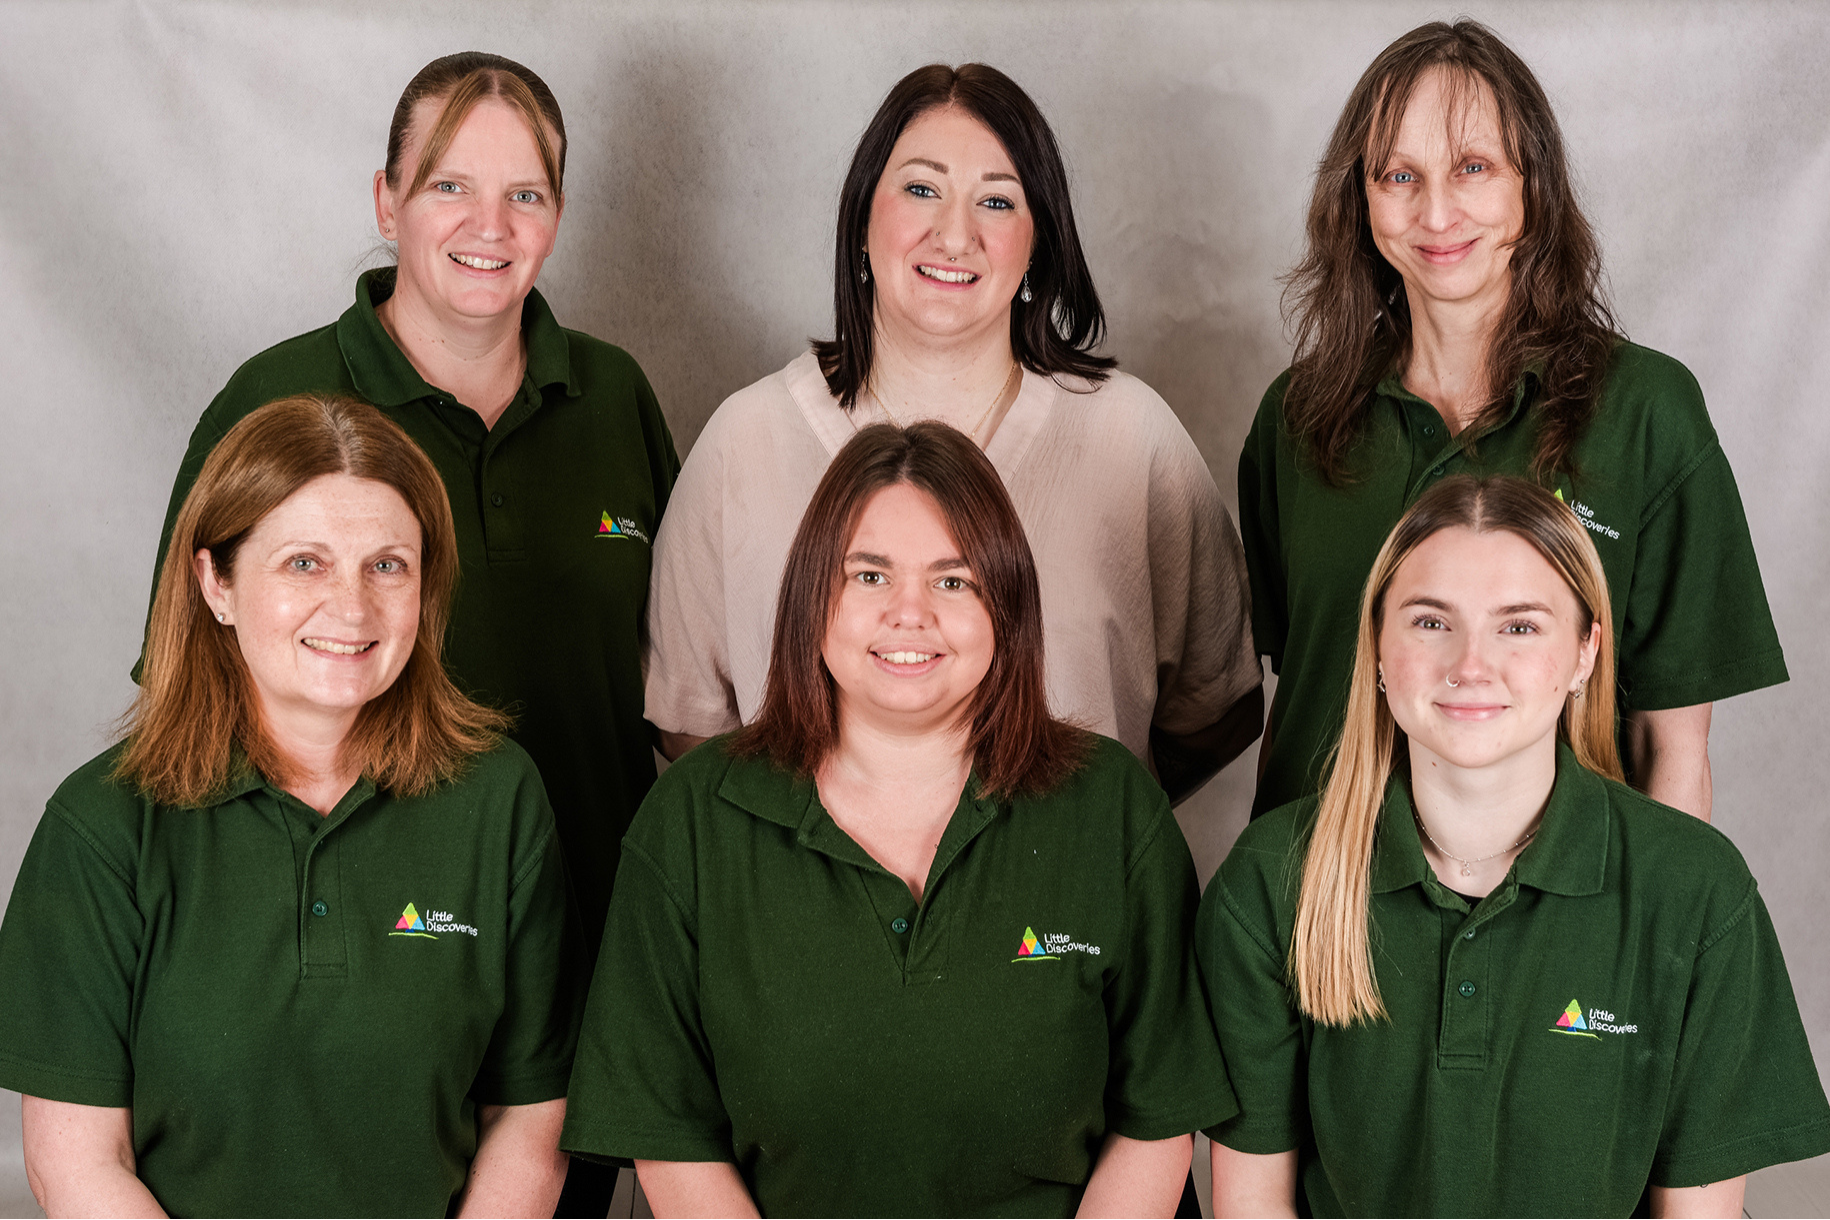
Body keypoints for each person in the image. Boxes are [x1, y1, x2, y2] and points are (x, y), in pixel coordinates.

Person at [139, 54, 675, 1211]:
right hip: (360, 980)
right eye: (447, 187)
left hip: (585, 960)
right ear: (386, 202)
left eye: (525, 194)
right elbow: (184, 694)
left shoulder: (617, 399)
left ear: (559, 216)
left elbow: (687, 686)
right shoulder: (278, 400)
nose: (489, 225)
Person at [563, 422, 1233, 1217]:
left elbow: (1156, 1122)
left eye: (954, 582)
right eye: (870, 576)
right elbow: (669, 1135)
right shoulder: (691, 824)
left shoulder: (1112, 810)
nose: (909, 613)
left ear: (1006, 607)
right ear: (815, 597)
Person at [0, 395, 584, 1217]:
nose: (352, 608)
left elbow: (529, 1116)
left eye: (388, 565)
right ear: (216, 582)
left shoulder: (498, 798)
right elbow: (79, 1165)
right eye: (304, 563)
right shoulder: (101, 828)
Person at [1199, 475, 1830, 1218]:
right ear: (1375, 645)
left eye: (1520, 627)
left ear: (1586, 653)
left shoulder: (1695, 892)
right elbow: (1253, 1208)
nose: (1471, 664)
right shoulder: (1273, 881)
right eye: (1431, 622)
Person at [644, 62, 1262, 805]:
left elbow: (1216, 706)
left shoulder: (1131, 439)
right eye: (921, 188)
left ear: (1039, 244)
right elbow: (688, 727)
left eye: (996, 201)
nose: (955, 234)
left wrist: (1089, 833)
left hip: (1058, 915)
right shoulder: (745, 441)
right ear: (862, 222)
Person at [1240, 20, 1785, 820]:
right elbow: (1303, 694)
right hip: (1324, 902)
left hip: (1557, 923)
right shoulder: (1295, 417)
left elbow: (1673, 749)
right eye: (1398, 175)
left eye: (1473, 168)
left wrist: (1660, 938)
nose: (1436, 212)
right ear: (1359, 199)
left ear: (1533, 190)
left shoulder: (1646, 412)